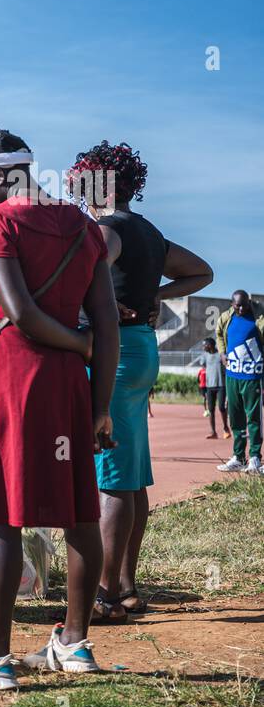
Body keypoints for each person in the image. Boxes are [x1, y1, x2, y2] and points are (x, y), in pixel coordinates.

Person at [0, 126, 118, 691]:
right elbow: (106, 325)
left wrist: (75, 343)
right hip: (68, 386)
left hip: (13, 377)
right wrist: (99, 404)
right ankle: (75, 644)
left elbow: (20, 310)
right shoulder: (84, 227)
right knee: (81, 513)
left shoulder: (1, 219)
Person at [70, 142, 213, 620]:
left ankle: (106, 591)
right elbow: (202, 272)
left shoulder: (107, 229)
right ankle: (126, 583)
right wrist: (156, 295)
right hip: (141, 350)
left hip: (116, 353)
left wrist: (100, 306)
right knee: (131, 475)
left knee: (110, 476)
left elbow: (85, 271)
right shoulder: (149, 231)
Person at [216, 290, 264, 473]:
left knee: (253, 418)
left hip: (253, 376)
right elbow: (219, 333)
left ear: (249, 303)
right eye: (237, 305)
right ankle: (238, 457)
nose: (241, 308)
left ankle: (254, 458)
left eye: (244, 304)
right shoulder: (226, 318)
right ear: (232, 304)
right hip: (232, 376)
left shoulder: (259, 319)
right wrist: (222, 353)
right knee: (235, 417)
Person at [199, 339, 229, 439]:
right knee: (211, 410)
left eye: (205, 345)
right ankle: (213, 432)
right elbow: (203, 366)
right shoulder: (205, 356)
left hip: (221, 385)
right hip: (209, 386)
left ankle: (225, 428)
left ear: (210, 345)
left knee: (221, 407)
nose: (203, 347)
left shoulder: (220, 355)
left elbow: (227, 366)